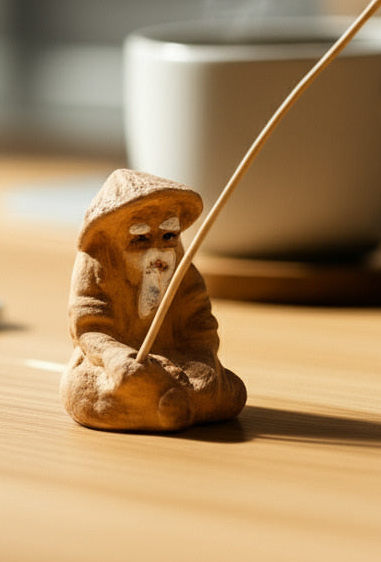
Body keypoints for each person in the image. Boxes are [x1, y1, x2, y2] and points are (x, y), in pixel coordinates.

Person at [61, 169, 246, 432]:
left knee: (227, 388)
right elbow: (90, 328)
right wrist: (116, 356)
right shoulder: (97, 268)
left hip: (181, 359)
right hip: (118, 362)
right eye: (141, 239)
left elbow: (200, 322)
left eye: (169, 236)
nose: (158, 250)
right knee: (104, 386)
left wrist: (202, 357)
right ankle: (166, 405)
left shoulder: (181, 269)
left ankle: (170, 404)